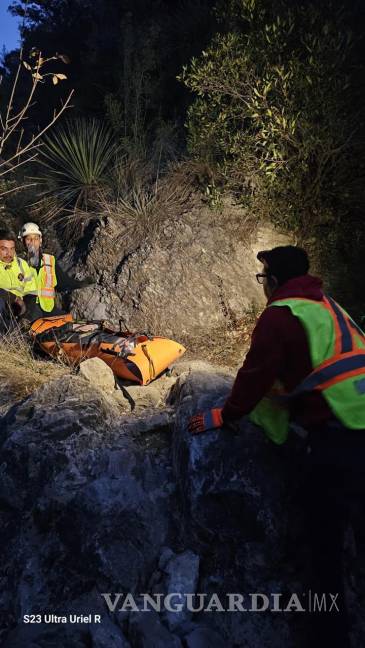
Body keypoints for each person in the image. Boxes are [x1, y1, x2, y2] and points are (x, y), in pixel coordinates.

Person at [188, 245, 365, 648]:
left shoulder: (280, 315)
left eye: (263, 276)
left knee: (324, 554)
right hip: (356, 424)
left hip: (339, 440)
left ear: (276, 281)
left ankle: (330, 638)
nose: (262, 284)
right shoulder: (328, 307)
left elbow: (254, 377)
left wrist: (225, 415)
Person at [18, 222, 94, 321]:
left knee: (68, 321)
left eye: (36, 238)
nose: (33, 242)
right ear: (22, 241)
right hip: (29, 312)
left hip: (49, 309)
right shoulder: (18, 264)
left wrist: (81, 284)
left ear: (40, 241)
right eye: (29, 239)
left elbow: (63, 282)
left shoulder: (50, 261)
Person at [0, 229, 37, 331]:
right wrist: (14, 298)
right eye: (4, 249)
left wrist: (25, 316)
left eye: (12, 249)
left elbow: (31, 292)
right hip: (4, 307)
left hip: (20, 310)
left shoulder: (22, 264)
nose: (9, 253)